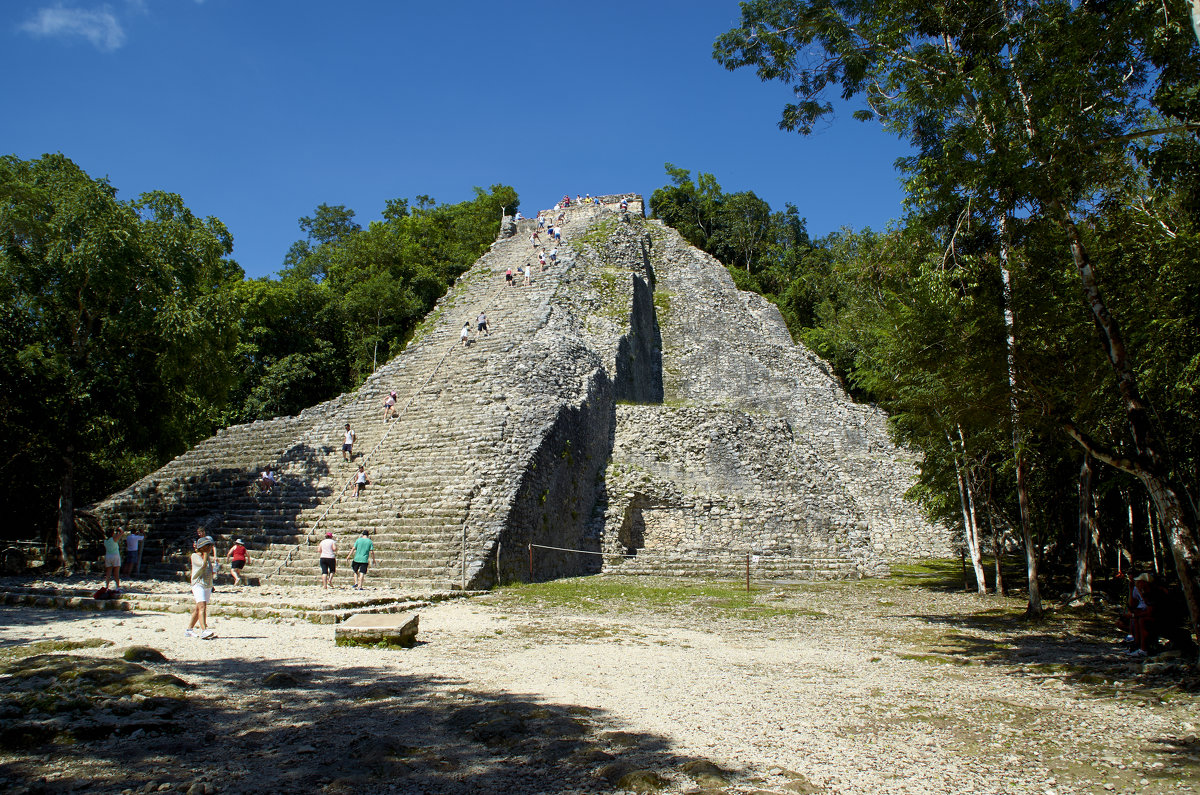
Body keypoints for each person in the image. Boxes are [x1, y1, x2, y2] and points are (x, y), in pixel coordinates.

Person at [186, 536, 217, 639]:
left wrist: (212, 583)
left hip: (207, 584)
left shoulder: (207, 557)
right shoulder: (194, 556)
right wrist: (205, 555)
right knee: (202, 606)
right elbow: (202, 566)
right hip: (198, 583)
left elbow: (210, 569)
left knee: (198, 608)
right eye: (208, 546)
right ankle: (204, 630)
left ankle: (189, 629)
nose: (210, 548)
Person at [102, 528, 124, 592]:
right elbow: (122, 532)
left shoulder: (105, 541)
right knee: (116, 572)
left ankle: (107, 586)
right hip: (115, 556)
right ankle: (117, 587)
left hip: (108, 556)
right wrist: (120, 529)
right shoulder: (114, 539)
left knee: (108, 572)